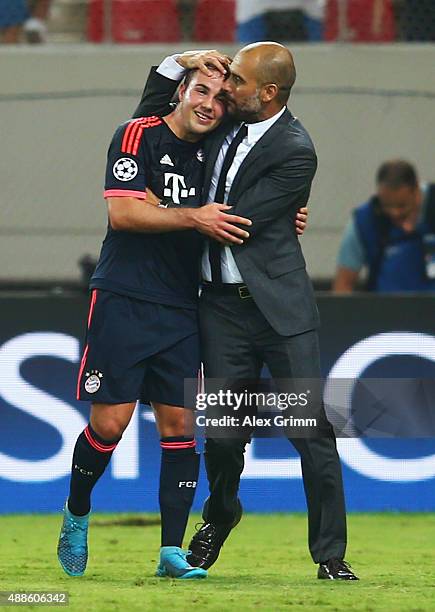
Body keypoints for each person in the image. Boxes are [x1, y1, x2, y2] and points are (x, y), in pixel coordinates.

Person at [57, 57, 307, 581]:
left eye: (220, 99)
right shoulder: (136, 135)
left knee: (180, 427)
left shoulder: (216, 155)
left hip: (184, 304)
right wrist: (192, 216)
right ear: (181, 90)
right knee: (111, 423)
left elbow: (254, 195)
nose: (208, 104)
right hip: (124, 296)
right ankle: (78, 511)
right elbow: (123, 214)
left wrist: (286, 216)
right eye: (201, 91)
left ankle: (172, 551)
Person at [134, 45, 358, 580]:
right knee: (226, 435)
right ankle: (222, 514)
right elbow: (151, 123)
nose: (224, 86)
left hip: (280, 312)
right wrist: (177, 62)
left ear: (268, 93)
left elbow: (237, 219)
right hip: (219, 309)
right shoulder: (225, 118)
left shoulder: (297, 149)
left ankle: (330, 555)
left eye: (235, 79)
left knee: (310, 430)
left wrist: (173, 212)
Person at [333, 160, 435, 293]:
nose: (395, 213)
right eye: (387, 206)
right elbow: (343, 283)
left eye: (402, 206)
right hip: (385, 309)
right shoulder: (365, 221)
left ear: (416, 191)